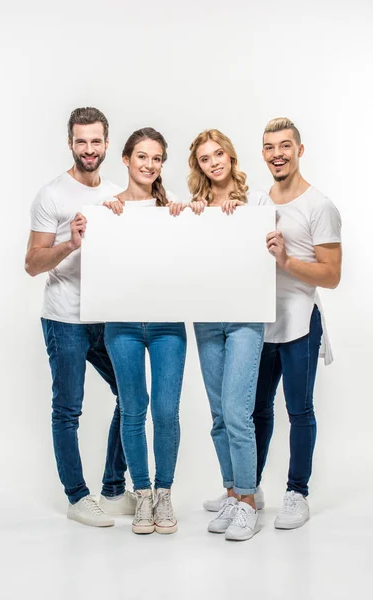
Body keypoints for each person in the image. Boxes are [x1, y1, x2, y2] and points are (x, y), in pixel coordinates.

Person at [204, 118, 342, 531]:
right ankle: (250, 490)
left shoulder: (320, 206)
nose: (277, 154)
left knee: (299, 410)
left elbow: (332, 275)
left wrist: (287, 262)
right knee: (253, 410)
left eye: (285, 146)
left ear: (300, 150)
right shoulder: (260, 202)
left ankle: (297, 492)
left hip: (300, 320)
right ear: (262, 153)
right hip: (259, 320)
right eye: (269, 147)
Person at [25, 107, 135, 527]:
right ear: (70, 143)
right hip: (65, 318)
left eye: (96, 141)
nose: (88, 149)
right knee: (68, 409)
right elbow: (33, 264)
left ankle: (112, 490)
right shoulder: (51, 195)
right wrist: (70, 242)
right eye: (81, 141)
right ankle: (77, 497)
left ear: (108, 144)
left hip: (107, 317)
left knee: (131, 397)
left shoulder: (114, 193)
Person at [102, 127, 187, 535]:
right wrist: (98, 221)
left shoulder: (171, 209)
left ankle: (165, 490)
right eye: (142, 157)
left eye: (156, 158)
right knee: (133, 409)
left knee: (166, 410)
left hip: (167, 321)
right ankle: (142, 494)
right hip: (122, 324)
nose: (149, 165)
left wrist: (189, 216)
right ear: (126, 159)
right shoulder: (108, 209)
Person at [188, 129, 269, 541]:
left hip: (244, 318)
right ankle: (233, 491)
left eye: (218, 153)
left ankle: (250, 502)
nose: (213, 162)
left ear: (231, 156)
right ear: (198, 166)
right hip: (206, 318)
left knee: (238, 413)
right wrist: (188, 218)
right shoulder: (194, 209)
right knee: (219, 415)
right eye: (205, 158)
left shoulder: (256, 203)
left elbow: (269, 250)